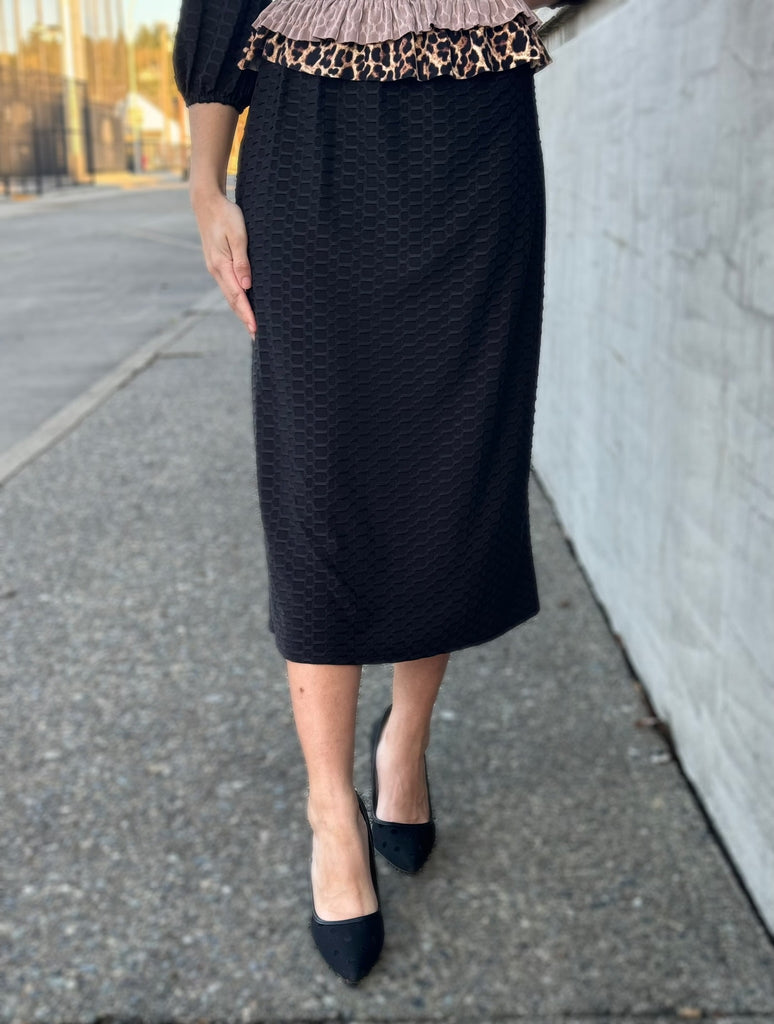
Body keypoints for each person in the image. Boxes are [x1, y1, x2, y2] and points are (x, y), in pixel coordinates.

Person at [173, 0, 567, 985]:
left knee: (448, 464)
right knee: (317, 479)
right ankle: (329, 811)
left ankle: (405, 747)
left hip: (475, 130)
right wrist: (205, 184)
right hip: (311, 138)